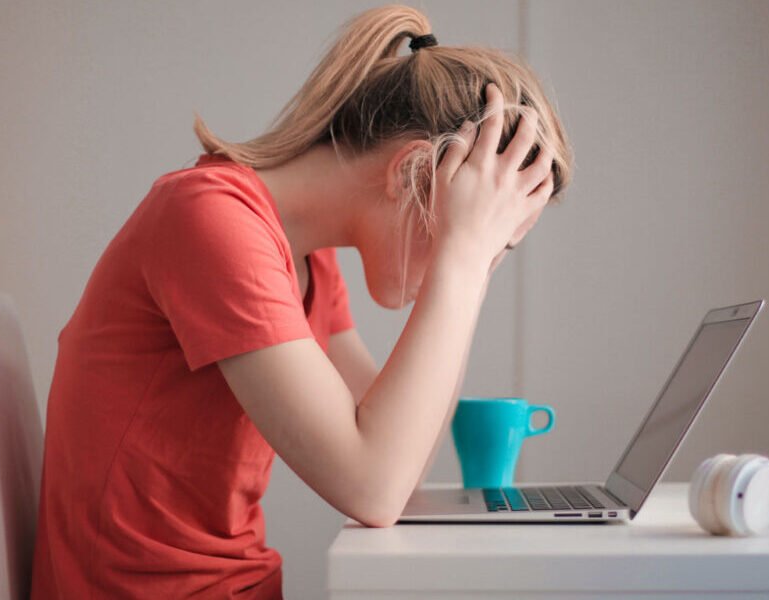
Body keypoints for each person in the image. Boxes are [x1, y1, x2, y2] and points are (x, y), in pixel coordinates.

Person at [30, 4, 573, 598]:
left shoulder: (308, 261)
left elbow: (404, 457)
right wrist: (462, 260)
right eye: (484, 230)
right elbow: (374, 487)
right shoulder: (211, 221)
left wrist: (469, 261)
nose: (481, 257)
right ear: (412, 173)